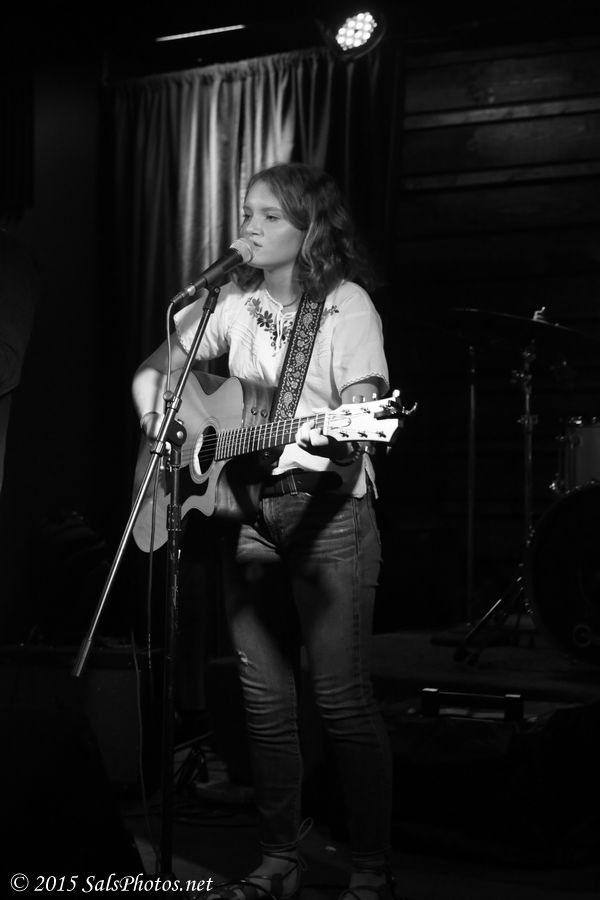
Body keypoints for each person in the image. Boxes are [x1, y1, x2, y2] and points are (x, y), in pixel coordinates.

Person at [132, 163, 395, 900]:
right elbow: (156, 369)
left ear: (310, 230)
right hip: (249, 515)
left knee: (340, 700)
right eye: (247, 212)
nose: (248, 227)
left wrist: (330, 437)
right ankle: (279, 859)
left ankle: (371, 869)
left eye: (269, 216)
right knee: (265, 704)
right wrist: (158, 419)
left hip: (327, 515)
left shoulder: (345, 306)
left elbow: (362, 416)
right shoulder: (231, 300)